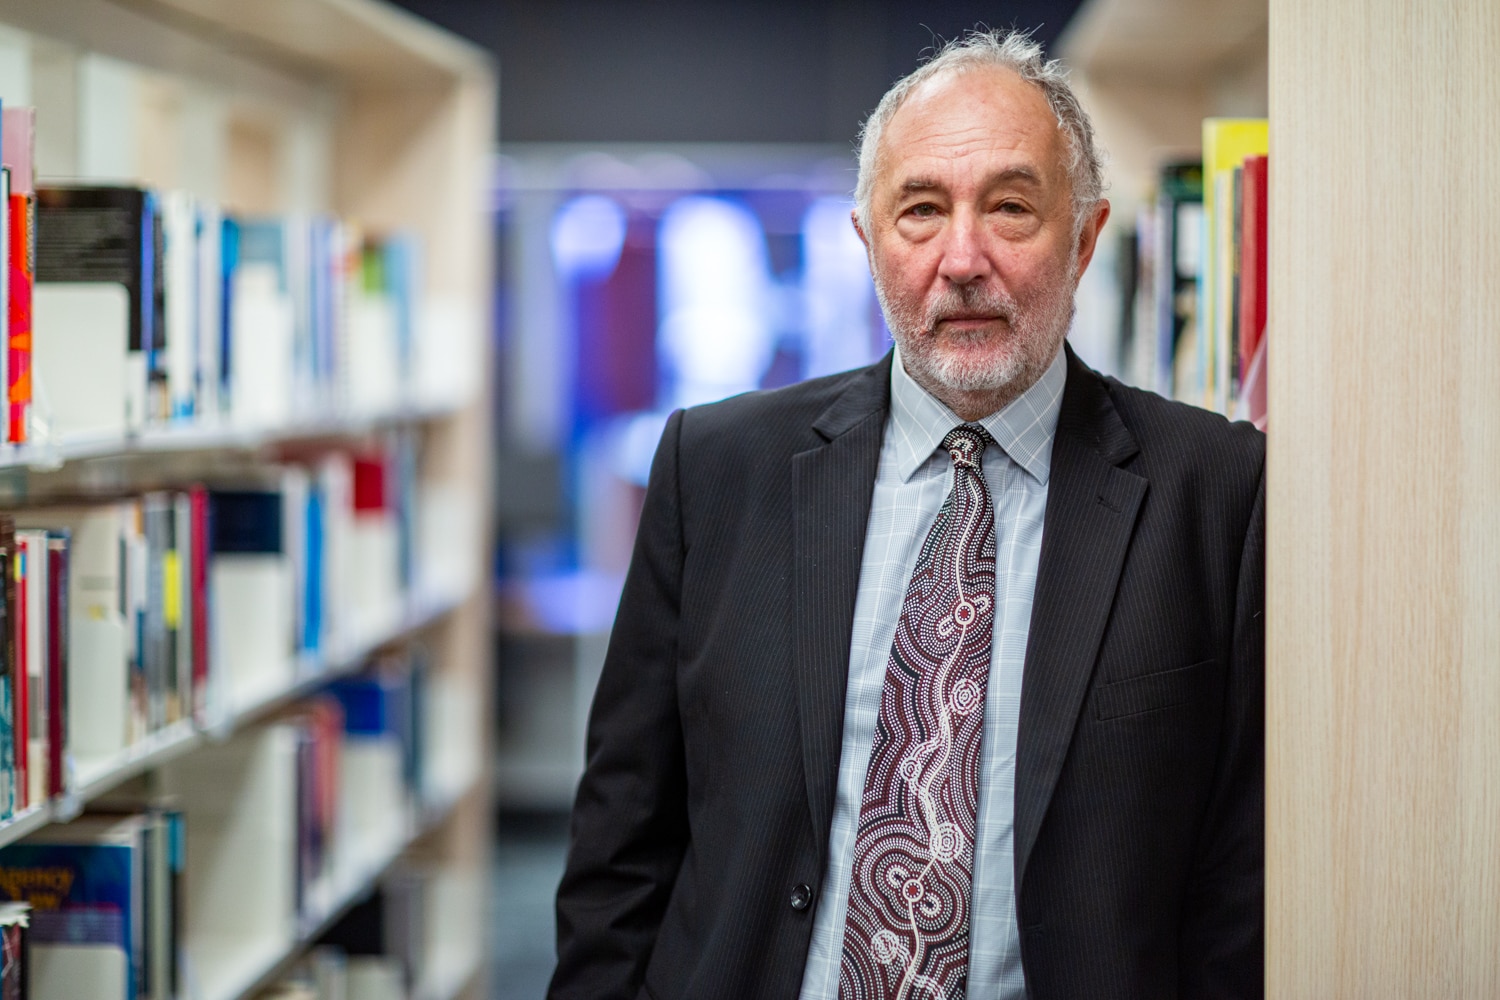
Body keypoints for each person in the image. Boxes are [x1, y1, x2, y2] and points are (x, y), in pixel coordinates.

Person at [548, 28, 1264, 1000]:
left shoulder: (1217, 491)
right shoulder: (715, 471)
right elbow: (620, 845)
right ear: (867, 240)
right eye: (920, 210)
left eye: (1010, 207)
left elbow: (1239, 879)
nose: (962, 257)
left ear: (1089, 236)